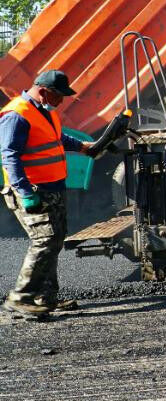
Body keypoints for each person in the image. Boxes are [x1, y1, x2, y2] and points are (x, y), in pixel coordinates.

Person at [0, 70, 92, 319]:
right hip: (33, 190)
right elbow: (10, 156)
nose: (61, 101)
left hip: (52, 188)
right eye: (58, 96)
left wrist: (82, 147)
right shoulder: (17, 115)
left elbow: (55, 138)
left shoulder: (43, 110)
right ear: (43, 91)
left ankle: (45, 297)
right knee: (44, 240)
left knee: (55, 240)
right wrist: (24, 192)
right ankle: (20, 298)